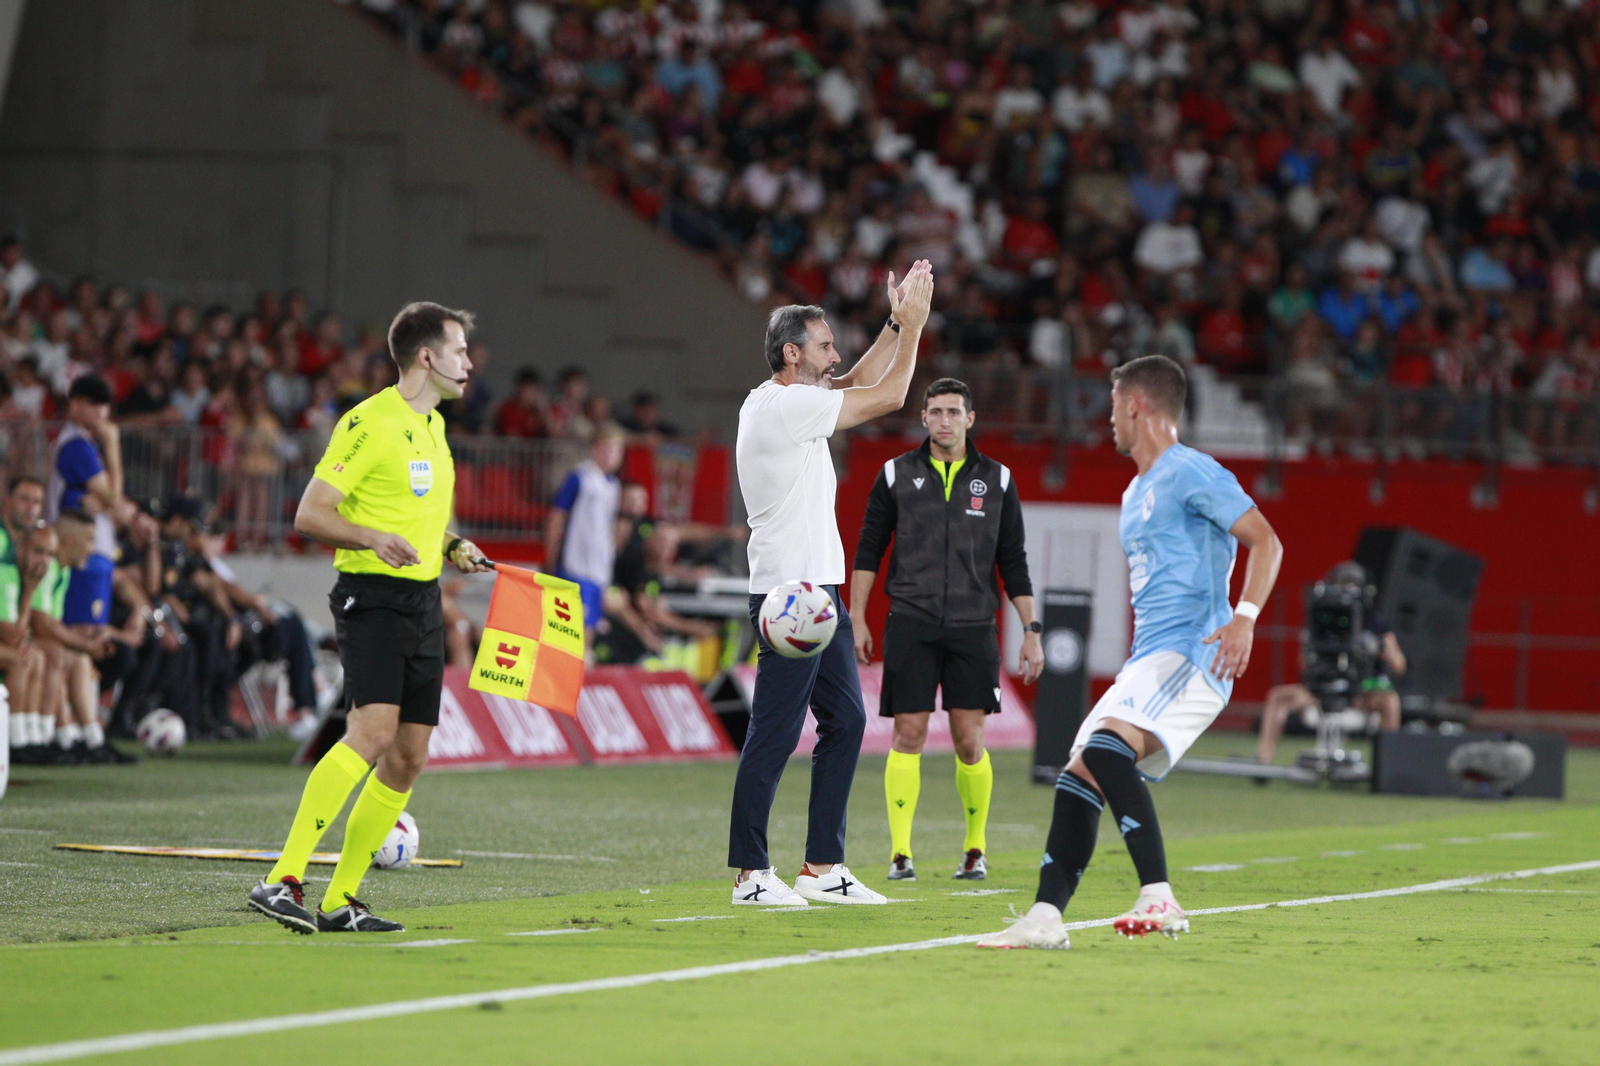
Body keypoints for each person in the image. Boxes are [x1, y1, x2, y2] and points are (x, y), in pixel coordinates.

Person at [978, 355, 1283, 949]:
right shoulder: (1134, 490)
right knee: (1080, 772)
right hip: (1149, 660)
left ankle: (1159, 896)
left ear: (1137, 406)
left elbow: (1266, 541)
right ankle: (1045, 917)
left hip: (1193, 653)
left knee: (1107, 748)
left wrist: (1244, 618)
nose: (1108, 419)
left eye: (1115, 406)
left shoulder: (1192, 471)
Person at [246, 301, 492, 935]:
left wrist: (451, 544)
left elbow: (423, 520)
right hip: (371, 597)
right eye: (460, 350)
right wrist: (369, 537)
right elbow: (310, 513)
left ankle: (340, 900)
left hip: (423, 602)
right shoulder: (369, 421)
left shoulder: (435, 429)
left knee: (409, 757)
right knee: (372, 735)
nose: (470, 362)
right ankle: (283, 878)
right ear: (427, 356)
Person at [729, 259, 934, 908]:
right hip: (791, 597)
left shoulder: (791, 401)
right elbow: (891, 396)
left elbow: (859, 378)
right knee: (774, 730)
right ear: (791, 354)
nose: (834, 352)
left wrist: (896, 323)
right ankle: (750, 873)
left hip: (822, 592)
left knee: (844, 719)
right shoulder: (786, 406)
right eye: (822, 344)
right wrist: (917, 329)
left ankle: (821, 866)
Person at [850, 377, 1044, 883]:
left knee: (968, 743)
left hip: (973, 626)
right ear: (924, 418)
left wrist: (1031, 628)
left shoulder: (997, 480)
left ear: (970, 419)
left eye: (953, 412)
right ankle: (899, 853)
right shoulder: (895, 475)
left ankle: (974, 849)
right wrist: (856, 618)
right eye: (935, 412)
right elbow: (869, 549)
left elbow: (1014, 561)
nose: (944, 420)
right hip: (910, 621)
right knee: (907, 733)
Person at [1256, 561, 1407, 765]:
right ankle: (1264, 760)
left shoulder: (1375, 622)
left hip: (1360, 691)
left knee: (1390, 701)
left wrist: (1380, 649)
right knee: (1278, 697)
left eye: (1353, 585)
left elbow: (1399, 665)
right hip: (1322, 689)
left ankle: (1389, 766)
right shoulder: (1321, 617)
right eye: (1343, 584)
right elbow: (1304, 665)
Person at [544, 428, 626, 644]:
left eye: (617, 450)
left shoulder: (614, 485)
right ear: (594, 449)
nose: (612, 455)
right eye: (607, 449)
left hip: (598, 571)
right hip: (576, 565)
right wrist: (551, 554)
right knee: (569, 632)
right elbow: (557, 516)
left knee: (589, 631)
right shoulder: (581, 477)